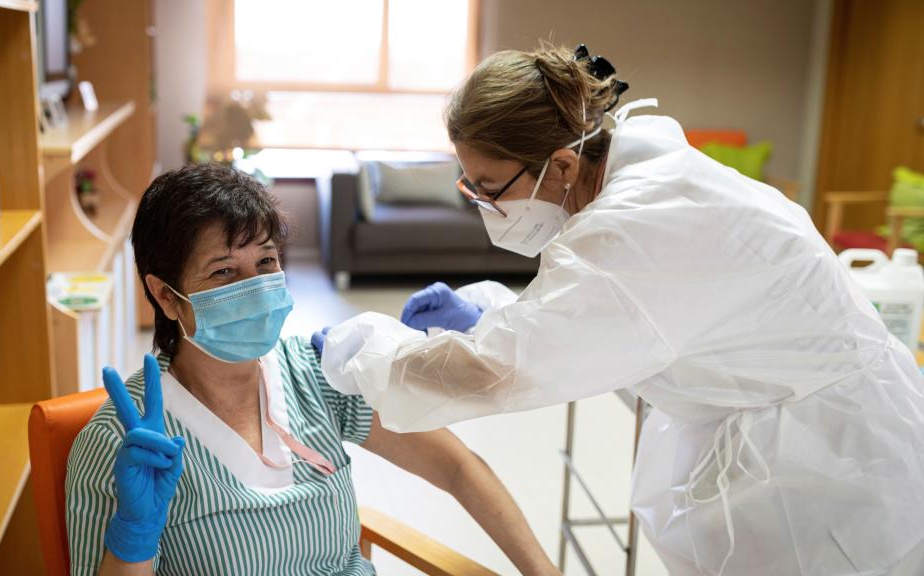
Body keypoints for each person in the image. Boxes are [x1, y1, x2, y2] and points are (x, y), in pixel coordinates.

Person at [314, 43, 924, 575]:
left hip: (837, 467)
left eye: (489, 188)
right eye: (468, 185)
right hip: (799, 425)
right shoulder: (641, 180)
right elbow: (631, 316)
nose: (481, 205)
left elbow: (500, 371)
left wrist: (363, 349)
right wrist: (493, 312)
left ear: (560, 165)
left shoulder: (634, 227)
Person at [65, 163, 558, 575]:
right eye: (223, 271)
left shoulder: (317, 375)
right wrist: (133, 537)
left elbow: (457, 466)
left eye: (266, 262)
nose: (255, 286)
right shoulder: (122, 444)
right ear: (165, 295)